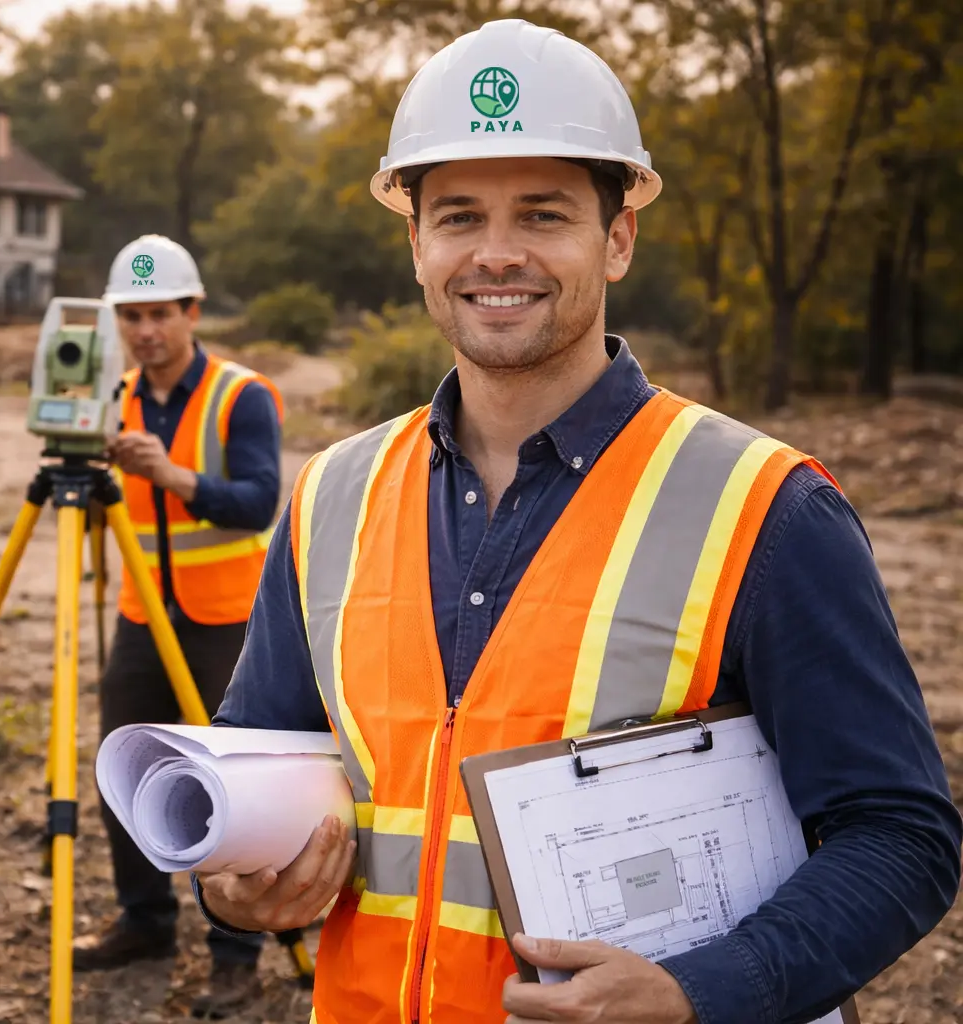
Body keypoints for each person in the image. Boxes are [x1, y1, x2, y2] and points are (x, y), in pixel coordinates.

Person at [191, 19, 962, 1024]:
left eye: (545, 213)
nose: (497, 253)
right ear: (415, 242)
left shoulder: (768, 508)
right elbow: (256, 763)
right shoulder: (331, 494)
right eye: (460, 214)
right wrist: (234, 883)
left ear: (619, 236)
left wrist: (702, 991)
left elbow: (901, 836)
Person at [74, 234, 285, 1019]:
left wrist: (172, 475)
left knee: (226, 790)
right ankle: (144, 921)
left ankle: (234, 955)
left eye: (160, 314)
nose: (145, 331)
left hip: (227, 622)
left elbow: (260, 501)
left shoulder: (242, 395)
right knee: (122, 774)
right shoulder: (115, 395)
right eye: (130, 317)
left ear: (192, 311)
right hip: (142, 616)